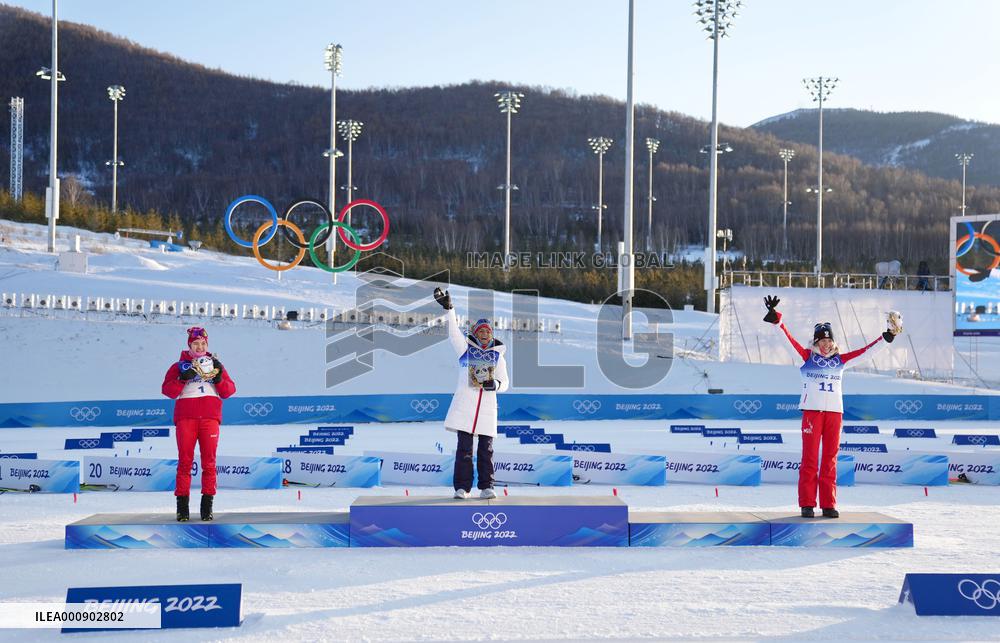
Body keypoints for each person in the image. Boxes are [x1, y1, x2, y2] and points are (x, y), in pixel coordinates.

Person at [763, 296, 902, 519]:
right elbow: (788, 341)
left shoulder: (841, 361)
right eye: (822, 340)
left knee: (830, 459)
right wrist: (777, 321)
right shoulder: (806, 358)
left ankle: (828, 504)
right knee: (810, 459)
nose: (826, 344)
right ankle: (807, 503)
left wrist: (886, 337)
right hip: (812, 413)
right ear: (816, 342)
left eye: (829, 340)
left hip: (835, 415)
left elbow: (866, 352)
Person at [433, 287, 509, 499]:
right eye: (480, 331)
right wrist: (449, 309)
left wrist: (496, 384)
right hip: (465, 409)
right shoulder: (465, 350)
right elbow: (453, 333)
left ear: (492, 335)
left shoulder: (498, 357)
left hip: (486, 411)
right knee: (464, 449)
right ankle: (462, 488)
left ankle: (487, 487)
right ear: (475, 333)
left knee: (486, 450)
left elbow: (505, 383)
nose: (484, 335)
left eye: (487, 332)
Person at [161, 327, 236, 522]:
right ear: (189, 345)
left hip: (210, 419)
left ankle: (207, 506)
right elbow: (167, 391)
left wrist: (219, 379)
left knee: (209, 462)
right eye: (196, 344)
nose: (200, 347)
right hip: (186, 418)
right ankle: (182, 508)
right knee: (185, 462)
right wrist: (181, 379)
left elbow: (229, 391)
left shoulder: (216, 364)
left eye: (203, 343)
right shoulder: (179, 366)